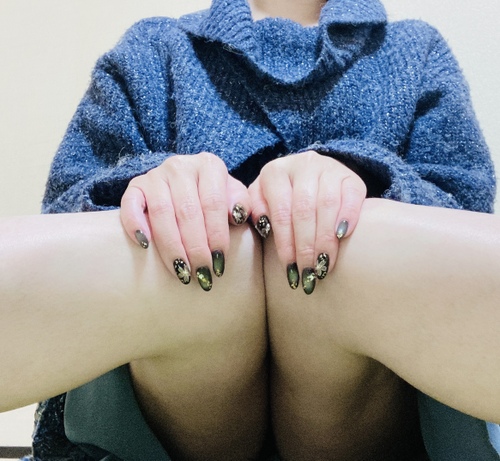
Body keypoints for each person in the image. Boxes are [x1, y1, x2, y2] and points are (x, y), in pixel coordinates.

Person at [11, 0, 497, 459]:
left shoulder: (417, 51)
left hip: (385, 409)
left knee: (340, 245)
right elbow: (68, 215)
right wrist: (151, 190)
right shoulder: (152, 49)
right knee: (216, 247)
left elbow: (462, 215)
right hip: (161, 406)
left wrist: (358, 187)